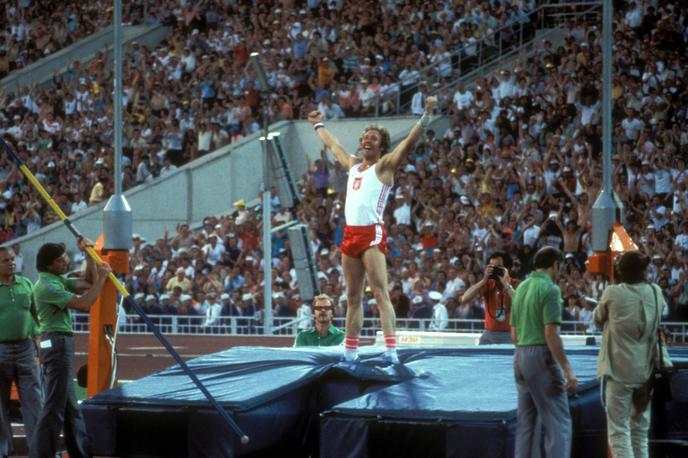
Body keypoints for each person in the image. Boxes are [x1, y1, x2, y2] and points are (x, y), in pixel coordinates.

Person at [308, 95, 437, 363]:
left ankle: (391, 350)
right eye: (365, 137)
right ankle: (350, 352)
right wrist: (318, 125)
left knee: (380, 292)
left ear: (381, 146)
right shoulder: (354, 164)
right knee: (352, 297)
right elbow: (333, 145)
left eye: (373, 138)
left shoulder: (385, 165)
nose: (366, 140)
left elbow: (409, 142)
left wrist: (426, 115)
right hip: (350, 234)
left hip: (371, 234)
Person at [30, 240, 112, 458]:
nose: (65, 261)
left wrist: (88, 256)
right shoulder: (48, 286)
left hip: (59, 342)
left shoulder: (56, 280)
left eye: (65, 257)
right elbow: (85, 303)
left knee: (70, 407)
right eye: (60, 260)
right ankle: (42, 454)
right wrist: (103, 277)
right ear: (49, 266)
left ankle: (79, 452)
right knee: (54, 407)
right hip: (56, 343)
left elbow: (87, 282)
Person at [510, 246, 577, 458]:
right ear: (556, 264)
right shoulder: (551, 290)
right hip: (540, 356)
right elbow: (551, 334)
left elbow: (514, 334)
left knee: (526, 425)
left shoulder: (520, 288)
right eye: (561, 267)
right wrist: (568, 370)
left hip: (519, 356)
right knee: (558, 422)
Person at [594, 251, 663, 458]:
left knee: (618, 433)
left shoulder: (612, 293)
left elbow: (598, 318)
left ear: (620, 272)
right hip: (645, 373)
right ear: (643, 271)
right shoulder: (655, 291)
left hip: (619, 373)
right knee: (640, 434)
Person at [0, 246, 42, 457]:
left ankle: (39, 450)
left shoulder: (25, 284)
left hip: (25, 349)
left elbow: (34, 315)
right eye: (5, 260)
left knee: (34, 400)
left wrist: (38, 336)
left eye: (12, 259)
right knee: (0, 405)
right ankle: (3, 451)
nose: (11, 263)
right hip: (1, 350)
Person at [460, 251, 517, 344]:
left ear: (507, 268)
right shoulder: (488, 283)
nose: (494, 270)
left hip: (509, 334)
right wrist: (484, 279)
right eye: (492, 267)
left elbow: (520, 302)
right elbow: (464, 299)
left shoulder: (515, 283)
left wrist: (505, 283)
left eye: (498, 267)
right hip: (489, 334)